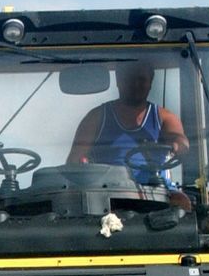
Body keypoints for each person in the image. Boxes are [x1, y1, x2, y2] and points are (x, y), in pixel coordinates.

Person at [66, 60, 192, 209]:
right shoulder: (96, 117)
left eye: (141, 80)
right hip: (108, 194)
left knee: (182, 202)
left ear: (150, 82)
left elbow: (180, 140)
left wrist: (177, 145)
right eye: (130, 79)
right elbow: (73, 163)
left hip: (156, 192)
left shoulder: (164, 117)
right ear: (119, 81)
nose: (135, 85)